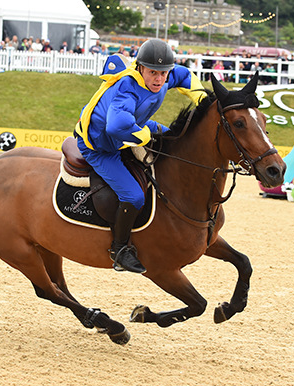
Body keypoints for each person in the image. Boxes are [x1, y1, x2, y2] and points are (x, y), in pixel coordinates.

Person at [74, 39, 206, 274]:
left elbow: (185, 76)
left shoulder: (165, 77)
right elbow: (116, 127)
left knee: (175, 142)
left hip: (134, 125)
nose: (158, 79)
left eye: (163, 73)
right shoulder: (127, 88)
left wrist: (202, 99)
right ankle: (120, 250)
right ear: (140, 68)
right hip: (100, 146)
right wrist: (144, 136)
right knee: (134, 196)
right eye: (153, 72)